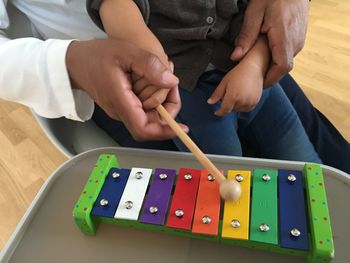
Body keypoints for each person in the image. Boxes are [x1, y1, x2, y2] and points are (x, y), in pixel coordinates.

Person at [87, 0, 320, 163]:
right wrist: (149, 57)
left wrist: (255, 65)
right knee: (227, 180)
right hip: (186, 91)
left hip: (255, 76)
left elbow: (266, 12)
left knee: (305, 161)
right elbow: (116, 7)